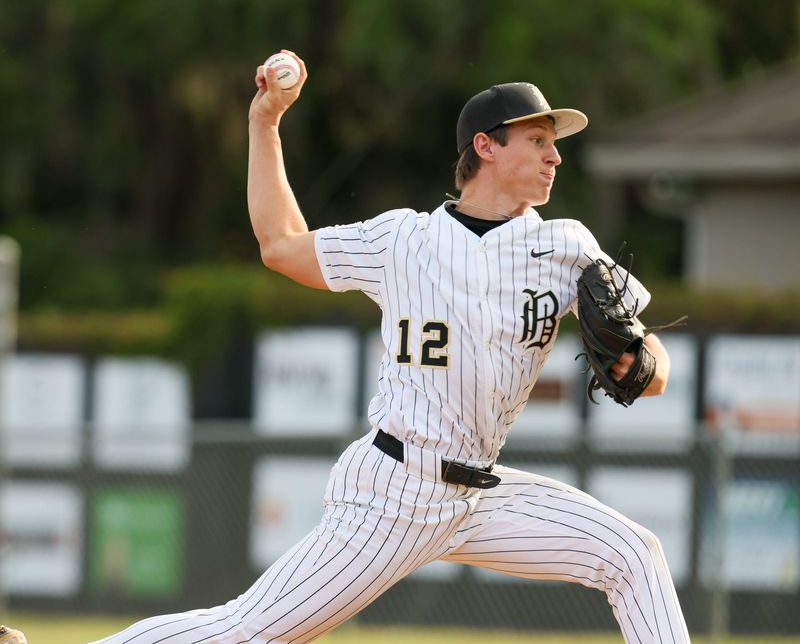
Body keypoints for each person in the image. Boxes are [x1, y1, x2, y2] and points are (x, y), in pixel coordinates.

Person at [95, 50, 690, 644]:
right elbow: (281, 244)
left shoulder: (566, 246)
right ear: (486, 147)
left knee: (634, 555)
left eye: (553, 143)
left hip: (480, 494)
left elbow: (650, 357)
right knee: (252, 631)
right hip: (398, 489)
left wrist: (641, 362)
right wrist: (265, 123)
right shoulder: (403, 240)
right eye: (537, 139)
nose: (554, 155)